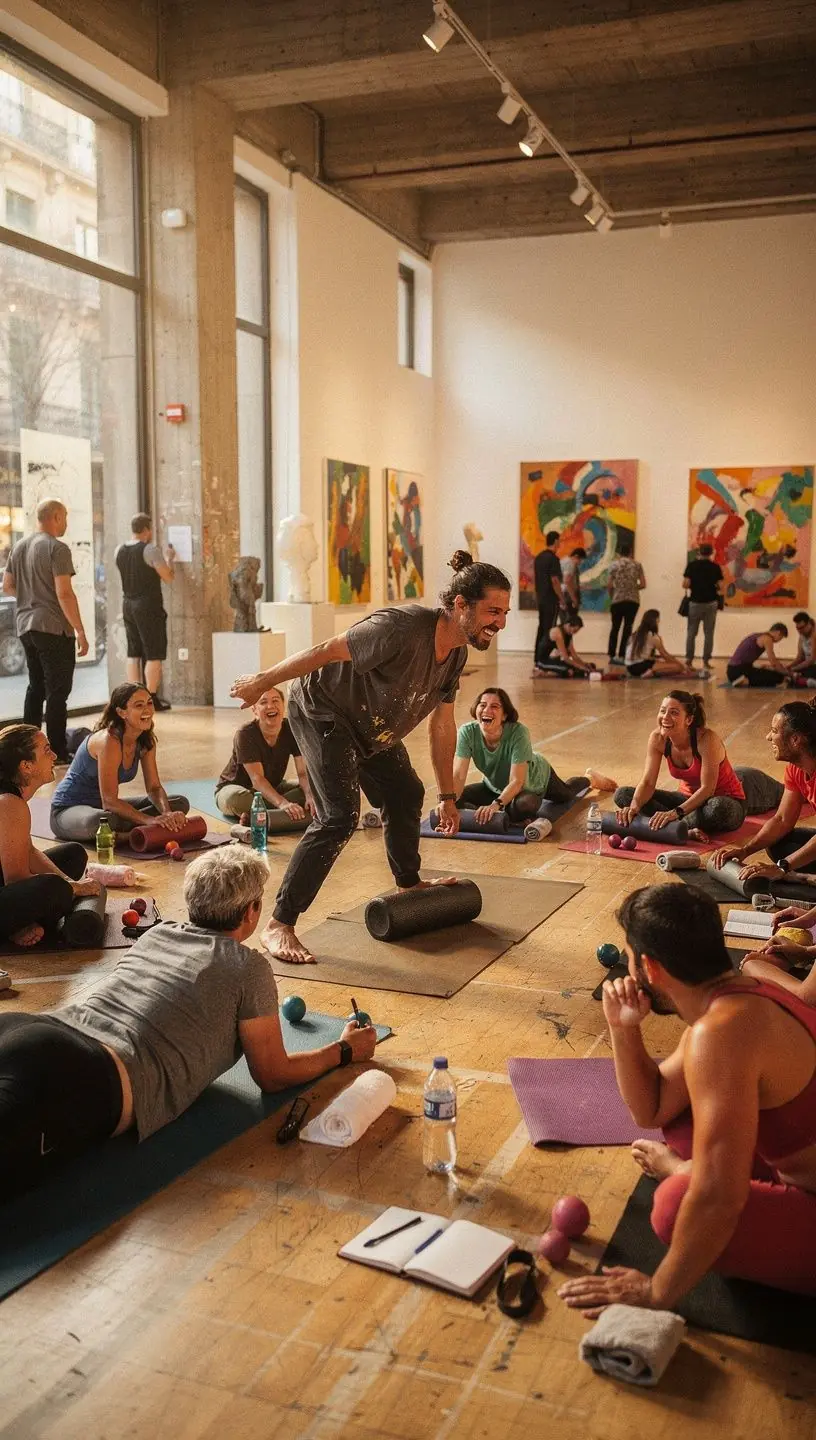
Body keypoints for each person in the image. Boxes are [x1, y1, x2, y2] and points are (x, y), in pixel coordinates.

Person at [0, 847, 377, 1199]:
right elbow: (273, 1075)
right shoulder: (248, 966)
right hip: (76, 1073)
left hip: (32, 1028)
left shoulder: (157, 934)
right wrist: (343, 1050)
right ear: (251, 911)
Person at [230, 552, 512, 964]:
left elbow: (442, 726)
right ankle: (279, 924)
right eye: (492, 611)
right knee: (340, 817)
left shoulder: (456, 655)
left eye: (504, 613)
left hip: (370, 727)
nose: (500, 623)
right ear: (460, 605)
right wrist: (262, 681)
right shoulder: (400, 628)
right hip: (324, 713)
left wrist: (448, 796)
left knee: (405, 791)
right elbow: (326, 650)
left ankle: (408, 885)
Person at [558, 884, 816, 1316]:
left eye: (631, 960)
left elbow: (718, 1199)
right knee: (683, 1118)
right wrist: (624, 1032)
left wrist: (656, 1292)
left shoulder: (718, 1036)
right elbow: (653, 1107)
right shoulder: (744, 991)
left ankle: (686, 1172)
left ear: (652, 969)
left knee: (674, 1206)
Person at [2, 498, 87, 763]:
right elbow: (64, 593)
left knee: (35, 687)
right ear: (56, 517)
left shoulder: (19, 546)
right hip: (53, 627)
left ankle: (26, 750)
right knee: (57, 692)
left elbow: (7, 586)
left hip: (26, 626)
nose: (66, 523)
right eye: (65, 517)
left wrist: (31, 598)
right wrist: (80, 630)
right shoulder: (57, 549)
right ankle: (58, 752)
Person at [50, 683, 189, 841]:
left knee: (178, 803)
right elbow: (109, 801)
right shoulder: (109, 741)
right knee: (99, 822)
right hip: (68, 810)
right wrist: (148, 819)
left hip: (103, 809)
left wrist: (166, 813)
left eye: (150, 703)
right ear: (121, 712)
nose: (148, 710)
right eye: (139, 705)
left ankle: (122, 832)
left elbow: (154, 788)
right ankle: (128, 833)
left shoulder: (145, 741)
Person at [0, 724, 99, 948]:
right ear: (26, 766)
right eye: (46, 750)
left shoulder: (13, 798)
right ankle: (15, 928)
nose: (54, 756)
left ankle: (23, 924)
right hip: (6, 886)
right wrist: (73, 889)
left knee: (73, 854)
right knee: (54, 889)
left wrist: (69, 882)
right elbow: (15, 879)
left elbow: (29, 851)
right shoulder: (9, 803)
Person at [613, 691, 747, 837]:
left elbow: (708, 789)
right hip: (686, 800)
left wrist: (675, 813)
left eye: (674, 713)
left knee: (717, 808)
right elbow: (648, 783)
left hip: (724, 801)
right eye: (663, 711)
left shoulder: (707, 740)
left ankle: (672, 826)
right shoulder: (657, 738)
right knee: (624, 795)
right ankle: (682, 828)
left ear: (688, 720)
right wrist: (634, 808)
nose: (665, 717)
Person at [712, 701, 816, 880]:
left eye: (775, 731)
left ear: (795, 740)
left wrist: (782, 867)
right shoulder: (795, 768)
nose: (769, 737)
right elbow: (782, 819)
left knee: (785, 859)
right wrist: (745, 851)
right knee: (779, 844)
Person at [452, 687, 587, 824]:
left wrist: (496, 804)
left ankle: (589, 778)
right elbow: (458, 776)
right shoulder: (467, 732)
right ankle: (496, 815)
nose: (486, 710)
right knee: (455, 799)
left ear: (504, 715)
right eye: (482, 705)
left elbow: (517, 782)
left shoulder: (519, 732)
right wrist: (447, 801)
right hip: (493, 787)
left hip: (533, 780)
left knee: (547, 799)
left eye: (494, 706)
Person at [215, 686, 314, 822]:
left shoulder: (292, 729)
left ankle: (257, 815)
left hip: (272, 788)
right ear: (254, 710)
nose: (270, 706)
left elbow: (303, 773)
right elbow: (257, 779)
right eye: (263, 702)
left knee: (315, 789)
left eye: (275, 701)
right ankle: (275, 813)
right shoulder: (245, 733)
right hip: (238, 790)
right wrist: (283, 803)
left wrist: (309, 795)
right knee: (235, 799)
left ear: (283, 705)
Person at [114, 513, 175, 712]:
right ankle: (151, 697)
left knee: (134, 651)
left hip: (127, 604)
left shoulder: (119, 551)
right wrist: (170, 559)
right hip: (148, 605)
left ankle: (133, 698)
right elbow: (168, 576)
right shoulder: (150, 550)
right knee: (153, 652)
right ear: (147, 530)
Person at [683, 542, 723, 679]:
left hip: (695, 602)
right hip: (711, 603)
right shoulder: (715, 567)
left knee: (691, 632)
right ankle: (706, 661)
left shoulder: (692, 566)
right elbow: (720, 586)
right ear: (711, 552)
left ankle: (689, 660)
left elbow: (685, 584)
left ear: (699, 552)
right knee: (709, 633)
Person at [607, 537, 646, 666]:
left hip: (617, 600)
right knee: (627, 628)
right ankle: (623, 654)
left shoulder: (613, 565)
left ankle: (612, 655)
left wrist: (613, 595)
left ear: (619, 552)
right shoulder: (637, 565)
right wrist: (633, 587)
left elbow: (609, 585)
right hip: (633, 600)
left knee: (615, 627)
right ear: (630, 552)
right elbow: (643, 584)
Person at [624, 610, 695, 679]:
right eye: (658, 619)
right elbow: (665, 655)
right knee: (677, 667)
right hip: (640, 666)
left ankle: (649, 671)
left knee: (660, 662)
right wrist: (682, 665)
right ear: (655, 620)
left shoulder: (635, 634)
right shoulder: (652, 636)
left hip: (629, 667)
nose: (659, 621)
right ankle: (651, 672)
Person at [533, 530, 562, 670]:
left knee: (542, 627)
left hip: (541, 599)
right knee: (549, 629)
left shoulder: (538, 558)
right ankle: (542, 659)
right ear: (556, 541)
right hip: (551, 599)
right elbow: (555, 580)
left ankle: (537, 658)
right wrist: (561, 599)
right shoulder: (553, 559)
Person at [787, 611, 816, 685]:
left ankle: (804, 680)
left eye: (802, 628)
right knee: (789, 674)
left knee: (795, 674)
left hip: (813, 665)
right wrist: (788, 667)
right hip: (809, 665)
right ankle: (805, 681)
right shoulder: (802, 635)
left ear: (809, 624)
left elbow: (812, 660)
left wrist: (793, 669)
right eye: (797, 628)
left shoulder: (814, 635)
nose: (799, 631)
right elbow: (800, 657)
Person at [560, 546, 586, 619]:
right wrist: (574, 599)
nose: (580, 563)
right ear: (576, 556)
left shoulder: (564, 560)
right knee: (571, 621)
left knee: (565, 621)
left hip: (563, 593)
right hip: (568, 595)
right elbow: (567, 581)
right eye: (580, 560)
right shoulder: (570, 564)